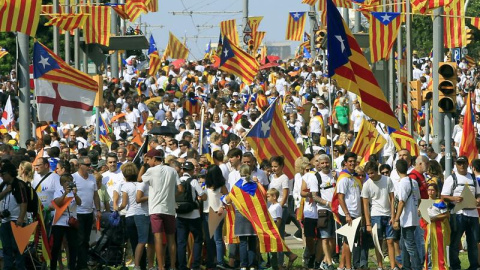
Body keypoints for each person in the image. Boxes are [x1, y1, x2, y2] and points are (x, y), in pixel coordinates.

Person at [141, 149, 183, 270]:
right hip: (169, 209)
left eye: (149, 159)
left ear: (154, 159)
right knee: (171, 239)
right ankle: (173, 266)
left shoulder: (151, 170)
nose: (148, 162)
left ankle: (161, 267)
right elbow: (180, 189)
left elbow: (139, 178)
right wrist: (172, 197)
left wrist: (143, 164)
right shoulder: (172, 171)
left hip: (155, 209)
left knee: (158, 239)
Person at [441, 156, 480, 270]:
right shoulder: (451, 178)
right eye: (459, 163)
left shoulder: (472, 178)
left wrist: (478, 199)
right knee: (455, 242)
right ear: (456, 165)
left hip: (472, 213)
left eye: (463, 163)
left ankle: (474, 266)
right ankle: (455, 266)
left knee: (473, 242)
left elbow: (478, 193)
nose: (462, 165)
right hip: (458, 213)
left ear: (468, 165)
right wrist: (454, 198)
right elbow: (443, 196)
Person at [117, 163, 154, 270]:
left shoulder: (125, 186)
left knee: (136, 242)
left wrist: (117, 209)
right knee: (144, 241)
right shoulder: (140, 184)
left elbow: (124, 204)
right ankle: (144, 265)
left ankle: (138, 264)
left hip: (130, 215)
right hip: (143, 213)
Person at [361, 161, 396, 270]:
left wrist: (393, 215)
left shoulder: (387, 180)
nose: (370, 176)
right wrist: (367, 223)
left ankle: (393, 265)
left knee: (390, 241)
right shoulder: (367, 185)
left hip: (388, 214)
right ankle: (380, 265)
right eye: (368, 174)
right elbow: (365, 205)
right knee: (378, 242)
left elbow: (392, 199)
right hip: (375, 215)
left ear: (377, 171)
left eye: (372, 173)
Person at [176, 161, 206, 270]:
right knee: (198, 239)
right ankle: (195, 265)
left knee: (181, 242)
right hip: (193, 215)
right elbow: (202, 195)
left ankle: (182, 266)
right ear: (192, 170)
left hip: (179, 214)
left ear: (183, 170)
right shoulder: (193, 181)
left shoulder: (178, 180)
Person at [73, 156, 101, 270]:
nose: (90, 167)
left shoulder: (92, 178)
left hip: (89, 213)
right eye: (87, 165)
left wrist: (98, 210)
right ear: (80, 165)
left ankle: (82, 262)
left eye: (90, 165)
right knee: (80, 240)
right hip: (77, 213)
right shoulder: (73, 177)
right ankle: (80, 264)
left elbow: (95, 195)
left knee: (86, 240)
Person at [336, 152, 363, 270]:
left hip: (356, 213)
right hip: (347, 213)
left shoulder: (356, 177)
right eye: (350, 161)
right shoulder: (343, 178)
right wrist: (347, 214)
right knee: (349, 241)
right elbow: (340, 197)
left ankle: (341, 266)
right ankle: (348, 266)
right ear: (345, 163)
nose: (352, 163)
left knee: (349, 241)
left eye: (354, 161)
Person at [393, 159, 422, 270]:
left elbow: (401, 202)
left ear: (397, 170)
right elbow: (418, 200)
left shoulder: (403, 183)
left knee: (409, 245)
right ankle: (406, 266)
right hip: (413, 217)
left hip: (407, 218)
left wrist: (396, 219)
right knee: (404, 244)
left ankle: (416, 267)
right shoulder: (413, 182)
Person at [0, 160, 28, 270]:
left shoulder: (19, 185)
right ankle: (8, 267)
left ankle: (20, 267)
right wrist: (6, 191)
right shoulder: (3, 185)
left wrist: (21, 218)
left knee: (18, 247)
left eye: (3, 174)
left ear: (10, 173)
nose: (2, 176)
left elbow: (24, 202)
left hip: (16, 220)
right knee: (6, 247)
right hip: (5, 220)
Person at [50, 174, 81, 270]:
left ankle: (71, 266)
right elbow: (57, 203)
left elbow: (79, 203)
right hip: (59, 221)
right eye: (67, 181)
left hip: (71, 222)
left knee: (72, 245)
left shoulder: (74, 192)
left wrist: (75, 194)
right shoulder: (58, 192)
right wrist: (65, 194)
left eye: (70, 181)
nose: (69, 184)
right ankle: (53, 266)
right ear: (62, 183)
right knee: (56, 245)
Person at [202, 165, 229, 269]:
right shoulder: (205, 185)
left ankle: (220, 262)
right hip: (206, 213)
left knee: (217, 239)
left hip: (217, 213)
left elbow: (227, 198)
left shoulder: (221, 186)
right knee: (209, 239)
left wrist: (223, 207)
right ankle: (211, 261)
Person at [424, 183, 450, 270]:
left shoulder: (440, 202)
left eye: (432, 190)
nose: (430, 192)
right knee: (428, 248)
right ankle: (429, 266)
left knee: (439, 247)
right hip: (428, 229)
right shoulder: (424, 203)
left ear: (436, 192)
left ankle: (441, 266)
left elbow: (446, 214)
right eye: (429, 190)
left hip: (439, 228)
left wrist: (435, 218)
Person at [267, 188, 282, 270]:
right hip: (269, 228)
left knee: (274, 248)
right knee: (270, 248)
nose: (267, 198)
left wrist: (275, 230)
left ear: (274, 197)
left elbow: (279, 219)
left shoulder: (278, 206)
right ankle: (272, 264)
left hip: (274, 228)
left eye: (269, 196)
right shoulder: (271, 206)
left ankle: (275, 265)